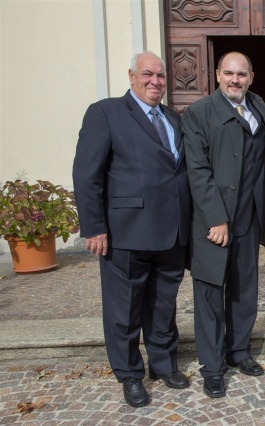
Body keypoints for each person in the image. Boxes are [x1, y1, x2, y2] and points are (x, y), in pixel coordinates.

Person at [73, 51, 191, 408]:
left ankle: (162, 363)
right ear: (131, 76)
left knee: (162, 304)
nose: (155, 81)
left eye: (160, 76)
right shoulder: (106, 112)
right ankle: (129, 374)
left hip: (171, 232)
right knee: (123, 308)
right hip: (125, 232)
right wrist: (94, 227)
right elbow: (86, 174)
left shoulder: (172, 117)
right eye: (147, 74)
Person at [181, 51, 265, 399]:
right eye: (229, 74)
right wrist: (216, 218)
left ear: (251, 77)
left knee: (243, 290)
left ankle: (239, 352)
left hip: (248, 217)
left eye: (242, 74)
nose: (235, 80)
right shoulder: (198, 113)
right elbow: (198, 171)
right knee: (209, 295)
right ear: (217, 75)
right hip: (213, 223)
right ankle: (212, 367)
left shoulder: (259, 107)